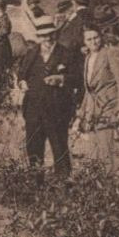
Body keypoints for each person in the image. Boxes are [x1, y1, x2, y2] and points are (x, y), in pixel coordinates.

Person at [17, 16, 82, 177]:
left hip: (57, 109)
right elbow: (21, 75)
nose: (47, 39)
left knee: (59, 146)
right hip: (33, 109)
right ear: (38, 37)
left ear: (55, 34)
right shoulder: (31, 53)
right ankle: (36, 182)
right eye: (43, 36)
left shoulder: (66, 53)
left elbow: (78, 78)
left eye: (50, 35)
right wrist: (22, 82)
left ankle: (63, 183)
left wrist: (62, 79)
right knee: (33, 148)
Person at [76, 27, 119, 170]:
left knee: (111, 150)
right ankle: (106, 186)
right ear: (84, 42)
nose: (94, 41)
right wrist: (81, 114)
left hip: (110, 107)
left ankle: (118, 185)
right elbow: (89, 90)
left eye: (96, 37)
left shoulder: (110, 53)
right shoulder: (88, 58)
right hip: (94, 110)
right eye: (89, 39)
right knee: (98, 151)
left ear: (101, 37)